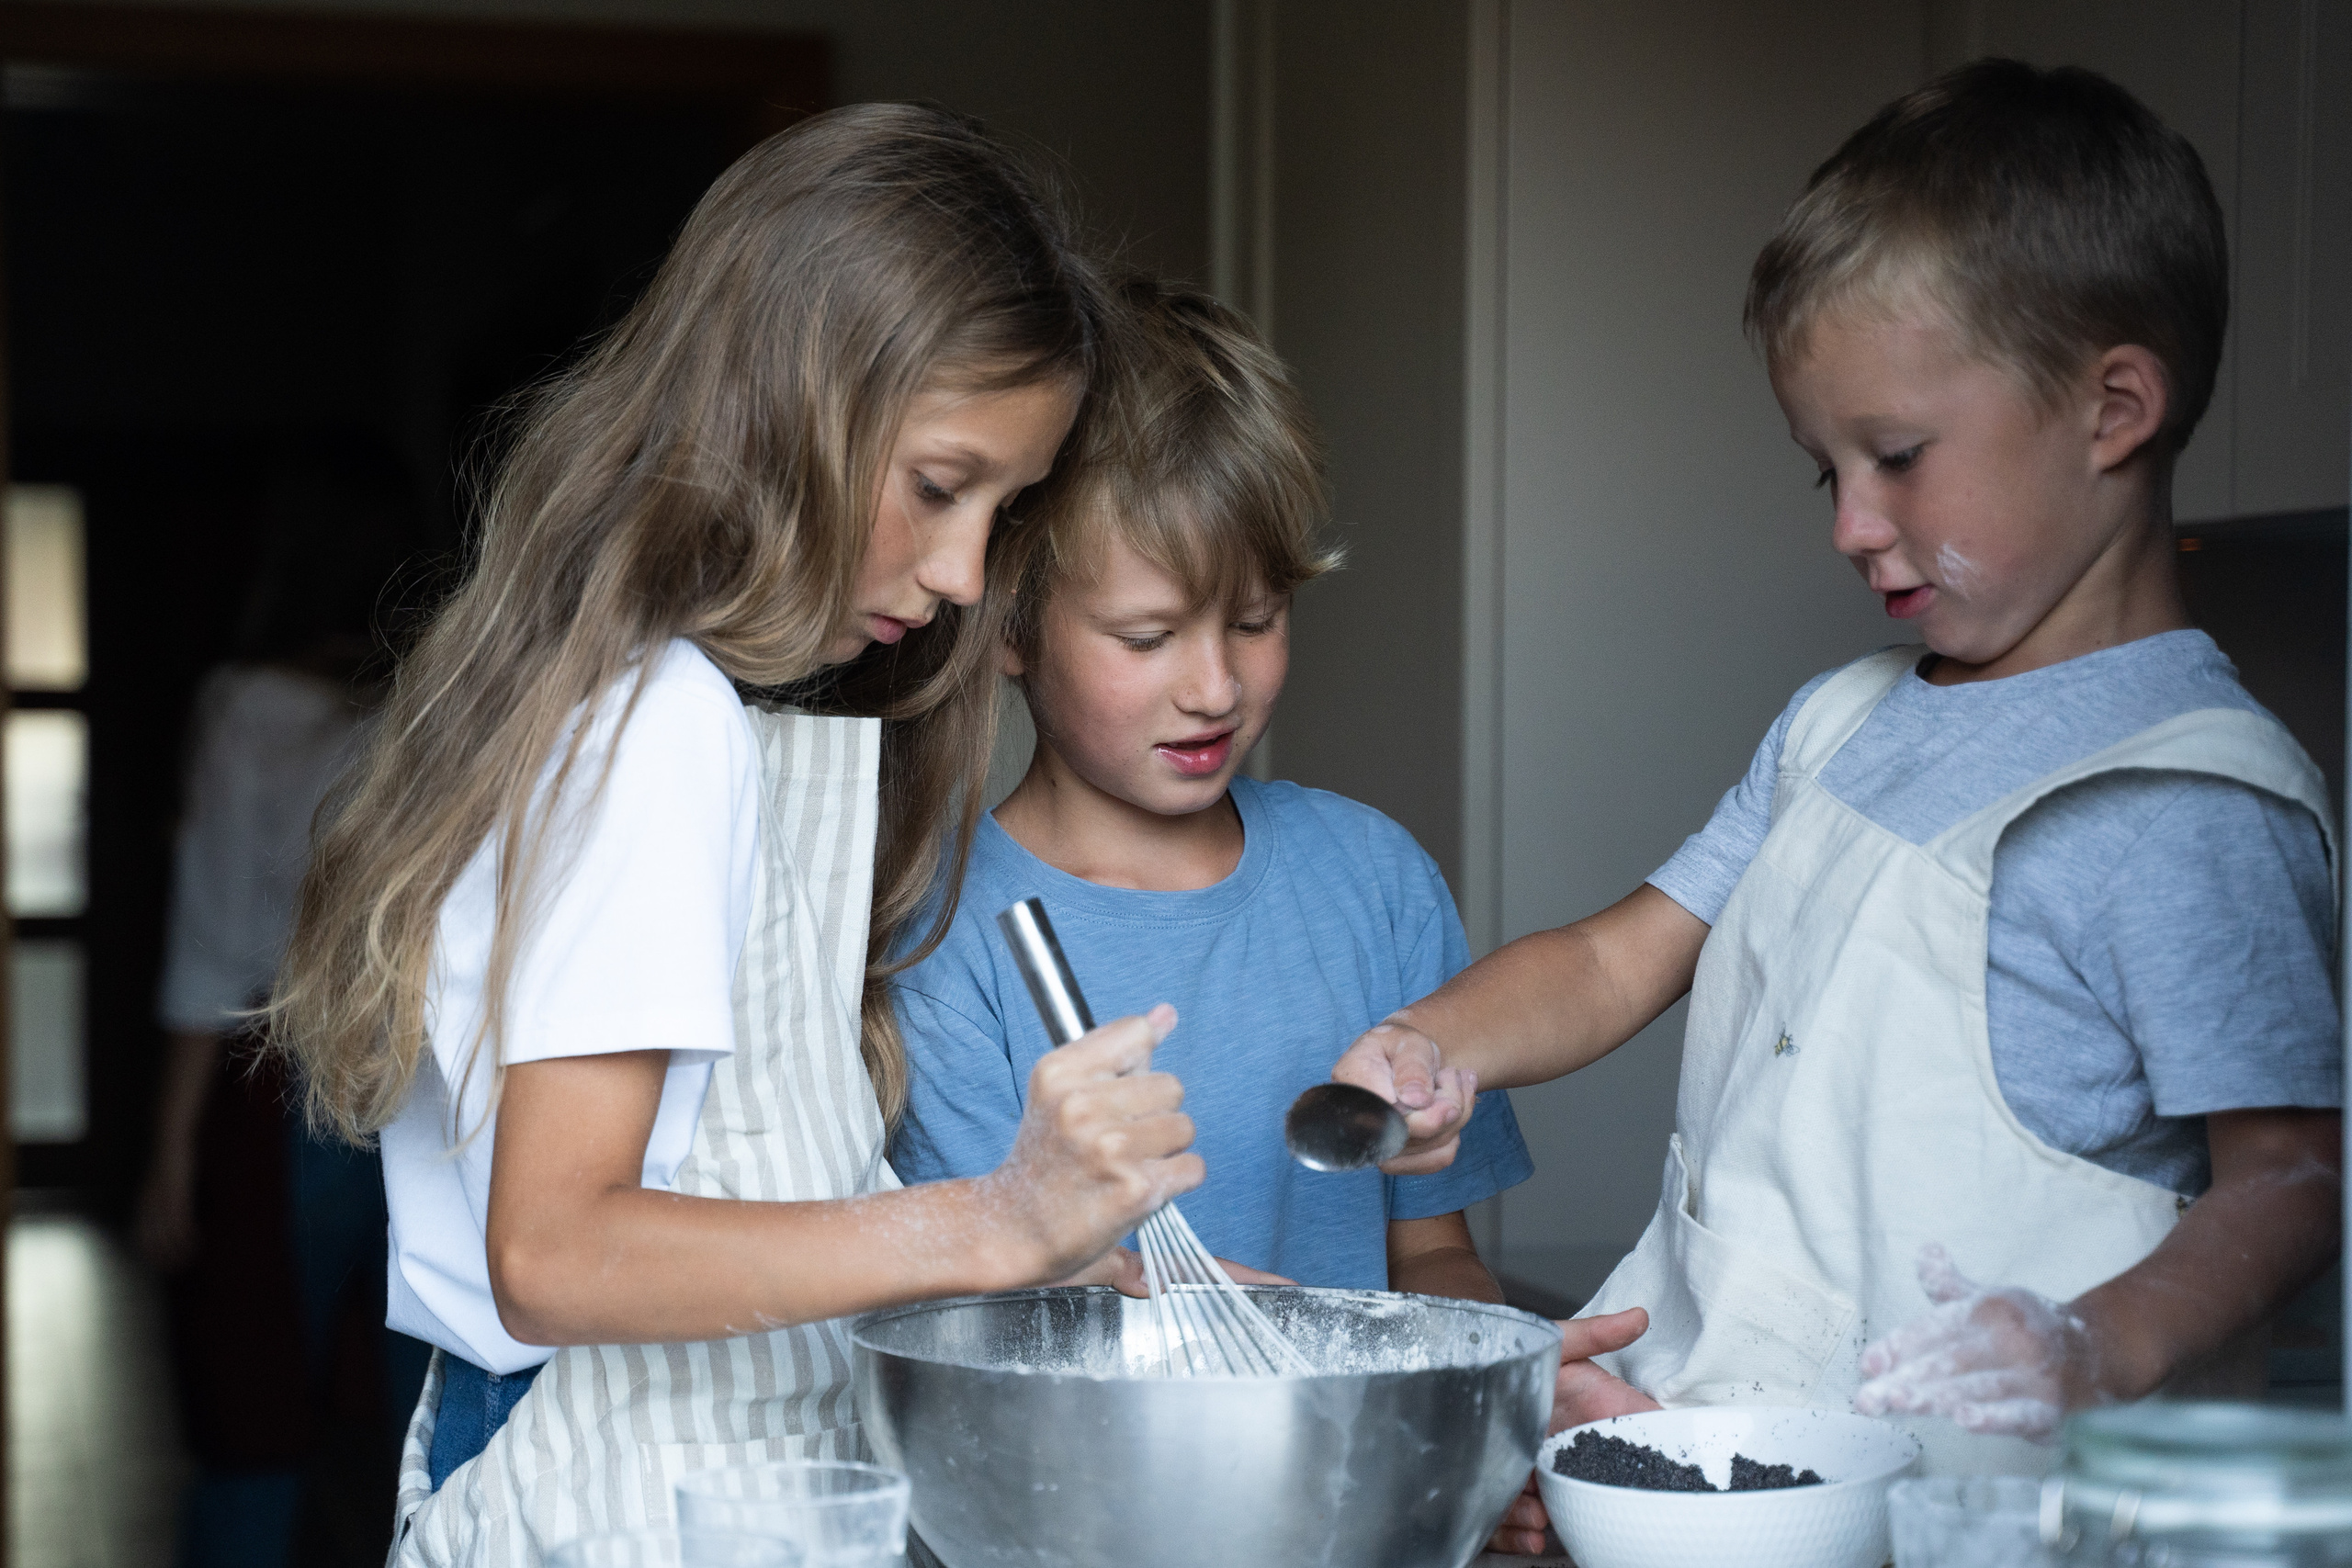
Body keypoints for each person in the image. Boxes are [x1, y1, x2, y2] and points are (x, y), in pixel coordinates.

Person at [1323, 62, 2343, 1552]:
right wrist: (1437, 1043)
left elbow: (2298, 1176)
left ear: (2114, 406)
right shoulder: (1846, 720)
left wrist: (2094, 1347)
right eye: (1829, 472)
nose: (1854, 525)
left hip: (1993, 1518)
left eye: (1899, 457)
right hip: (1721, 1470)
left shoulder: (2190, 805)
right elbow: (1620, 956)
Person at [266, 106, 1201, 1566]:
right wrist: (996, 1217)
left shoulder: (673, 707)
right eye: (940, 484)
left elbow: (765, 1197)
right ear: (786, 403)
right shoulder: (660, 725)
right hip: (614, 1479)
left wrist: (1136, 1279)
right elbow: (558, 1250)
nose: (963, 574)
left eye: (1003, 510)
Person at [890, 276, 1531, 1297]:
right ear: (1008, 628)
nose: (1214, 689)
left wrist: (1477, 1378)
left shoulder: (1373, 878)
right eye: (1146, 637)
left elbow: (1435, 1255)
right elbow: (986, 1314)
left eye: (1254, 620)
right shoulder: (940, 938)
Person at [141, 440, 430, 1568]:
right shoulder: (435, 706)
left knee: (256, 1407)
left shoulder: (250, 707)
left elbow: (211, 944)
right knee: (432, 1409)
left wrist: (170, 1154)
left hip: (288, 1065)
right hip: (431, 1068)